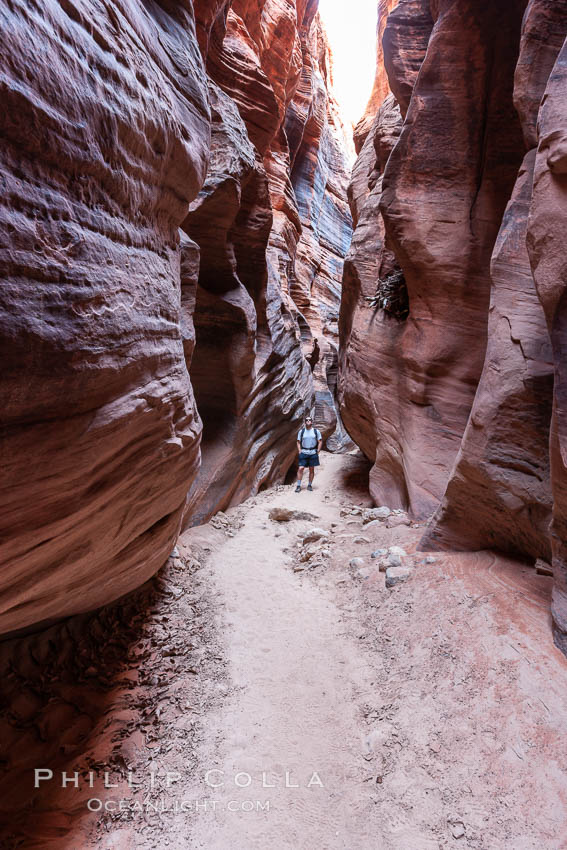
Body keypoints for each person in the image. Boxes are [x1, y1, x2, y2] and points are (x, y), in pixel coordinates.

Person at [295, 416, 322, 492]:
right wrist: (299, 450)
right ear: (305, 422)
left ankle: (309, 485)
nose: (308, 421)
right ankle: (298, 485)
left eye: (310, 420)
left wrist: (318, 450)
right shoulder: (302, 431)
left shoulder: (316, 431)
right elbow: (298, 442)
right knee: (301, 468)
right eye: (306, 420)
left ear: (312, 422)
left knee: (311, 469)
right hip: (304, 452)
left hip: (313, 452)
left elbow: (320, 441)